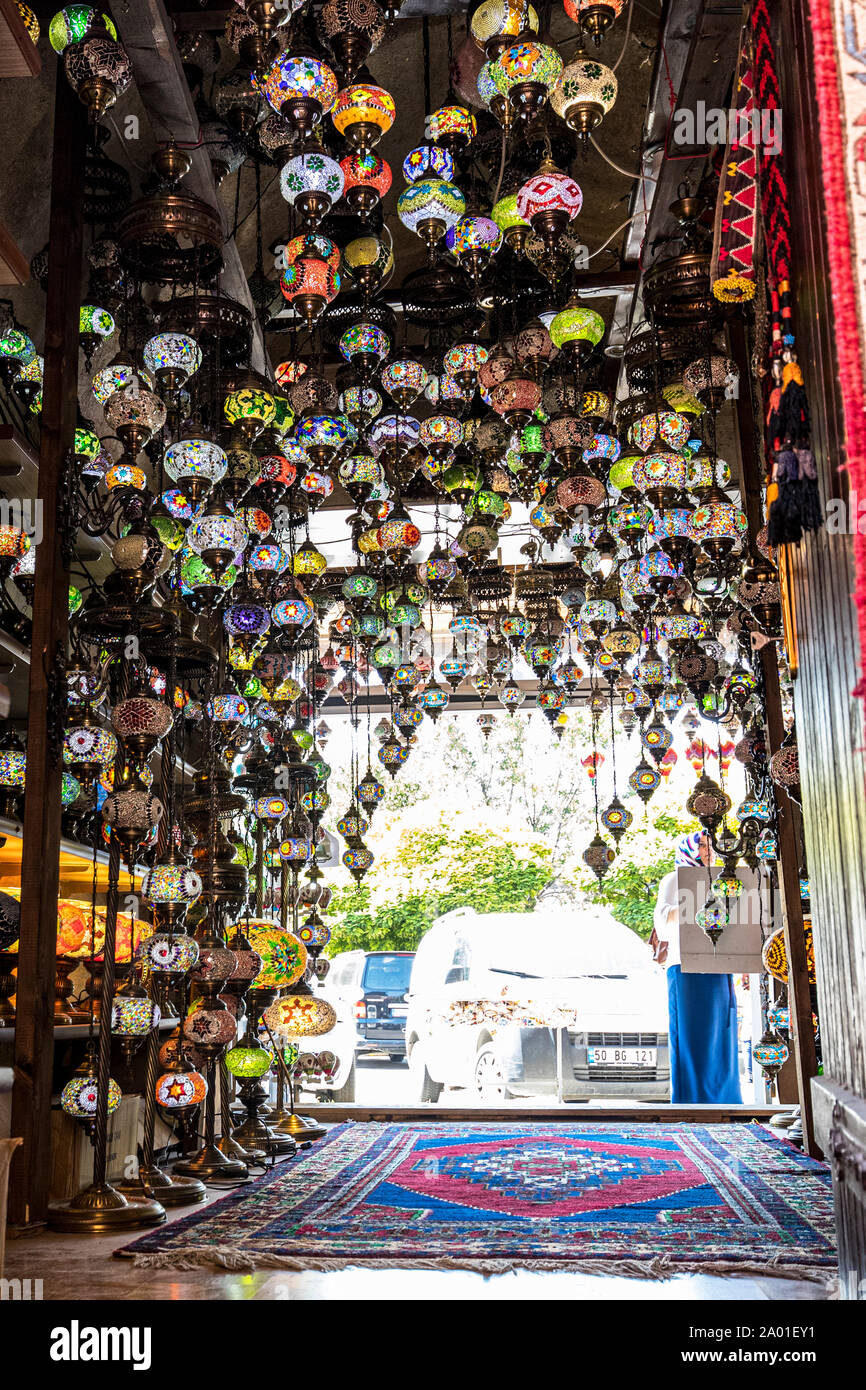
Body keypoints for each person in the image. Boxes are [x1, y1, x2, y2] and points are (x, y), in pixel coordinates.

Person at [652, 831, 742, 1104]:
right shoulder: (675, 879)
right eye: (701, 845)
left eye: (710, 845)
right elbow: (662, 925)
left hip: (718, 963)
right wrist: (695, 900)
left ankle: (725, 1102)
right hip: (686, 967)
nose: (707, 850)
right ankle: (691, 1103)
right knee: (692, 1037)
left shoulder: (724, 881)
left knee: (722, 1035)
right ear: (689, 849)